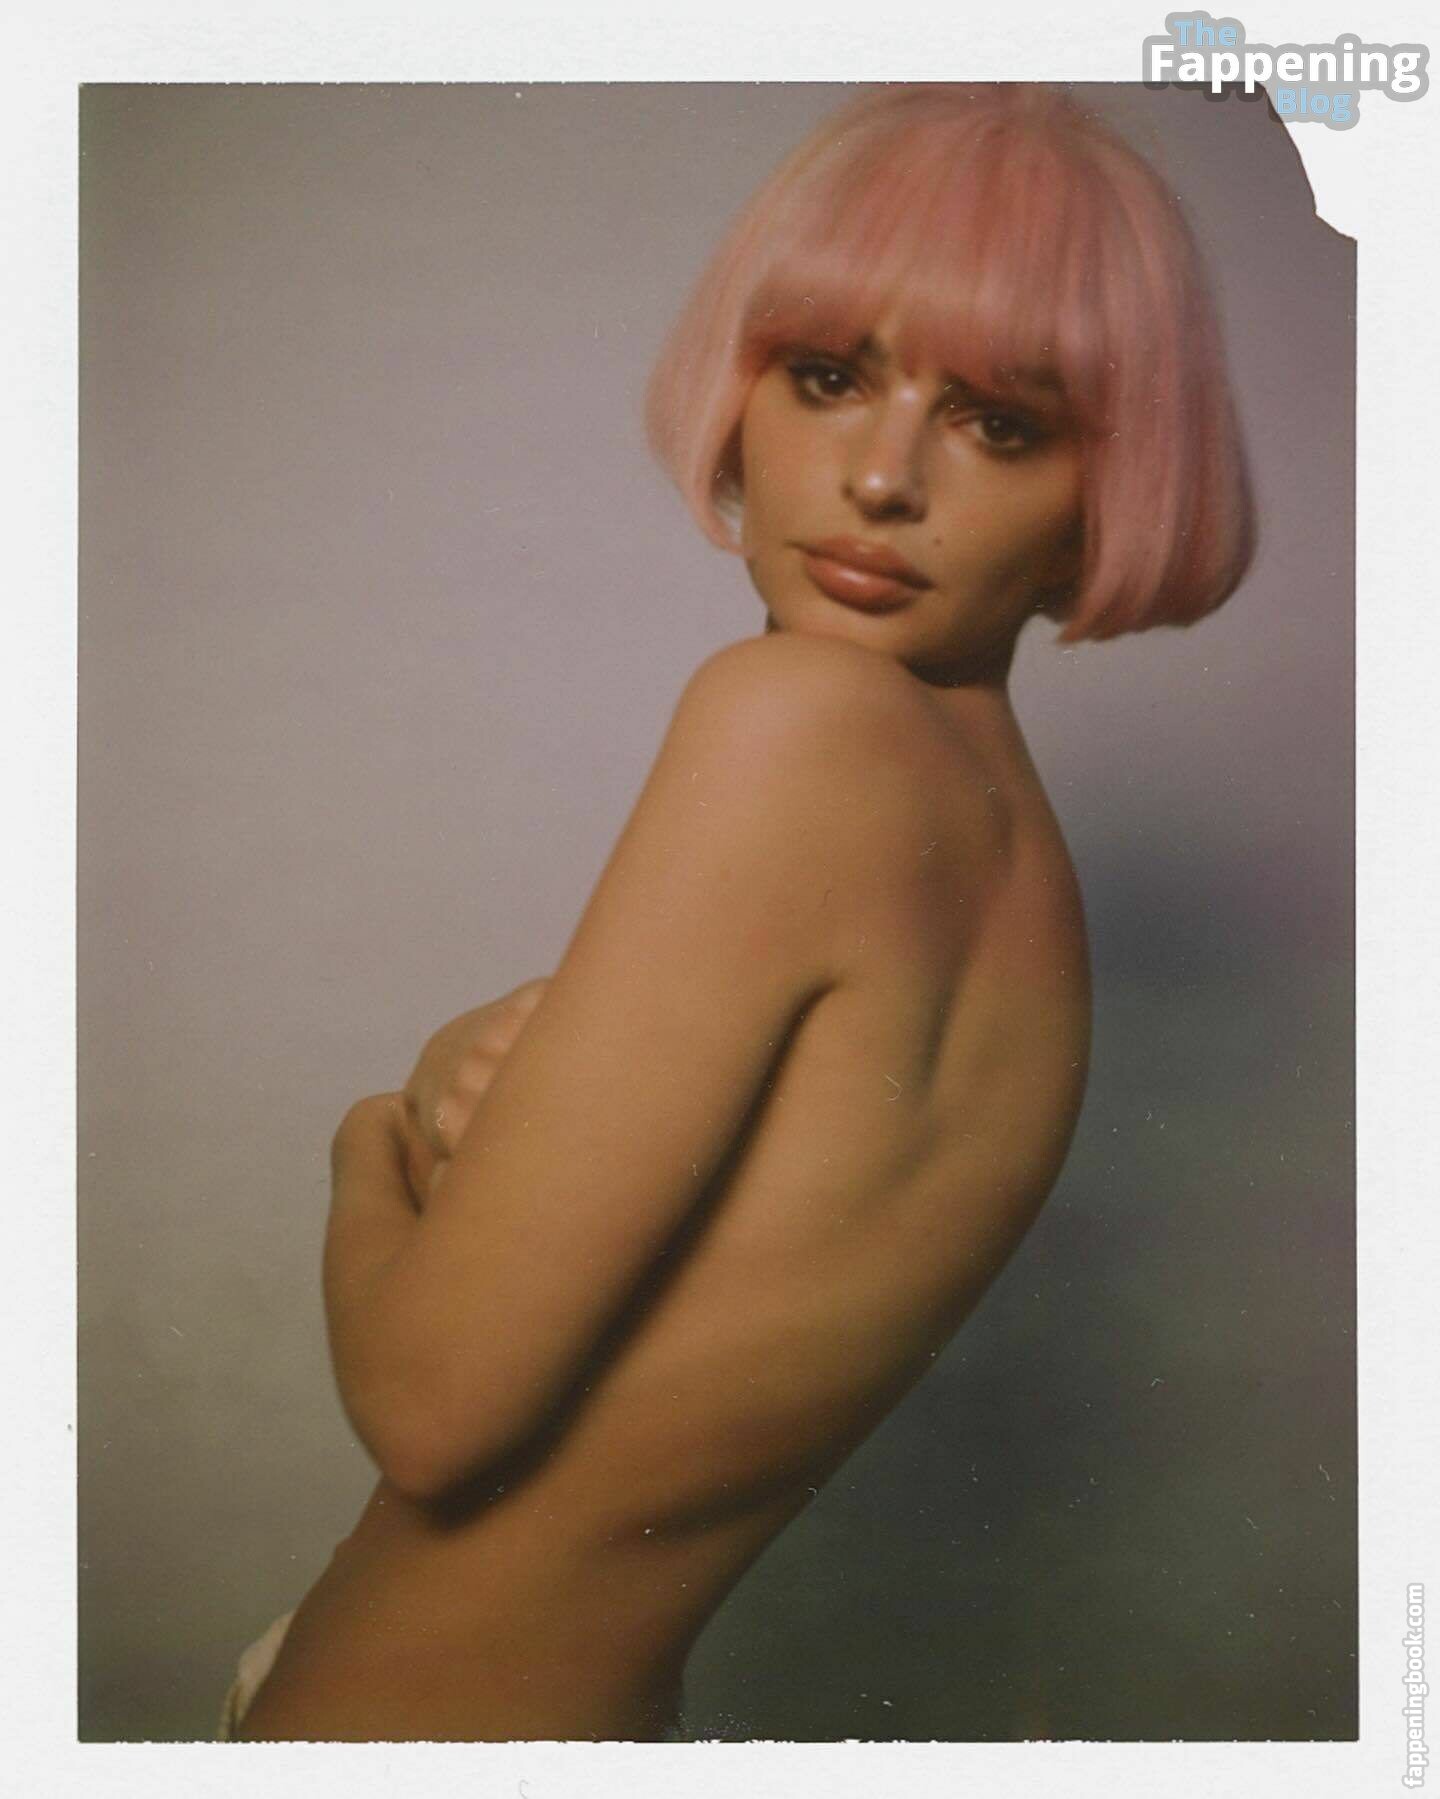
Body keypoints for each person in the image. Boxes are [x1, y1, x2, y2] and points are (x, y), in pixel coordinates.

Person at [223, 80, 1255, 1742]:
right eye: (830, 376)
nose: (881, 478)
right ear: (745, 387)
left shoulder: (799, 725)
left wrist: (367, 1139)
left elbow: (430, 1408)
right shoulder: (1006, 852)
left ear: (1108, 489)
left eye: (1001, 423)